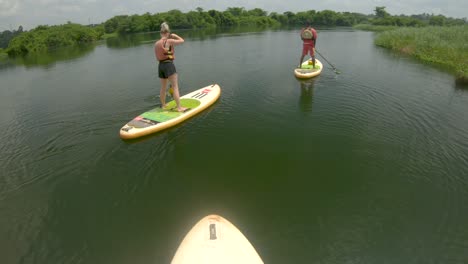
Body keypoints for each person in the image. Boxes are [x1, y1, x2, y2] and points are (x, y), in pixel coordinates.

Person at [154, 22, 187, 112]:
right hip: (168, 65)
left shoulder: (156, 44)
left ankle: (164, 105)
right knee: (175, 86)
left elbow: (157, 56)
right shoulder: (169, 41)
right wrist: (175, 35)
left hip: (160, 66)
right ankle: (179, 107)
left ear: (161, 33)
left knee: (163, 87)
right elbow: (182, 40)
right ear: (167, 33)